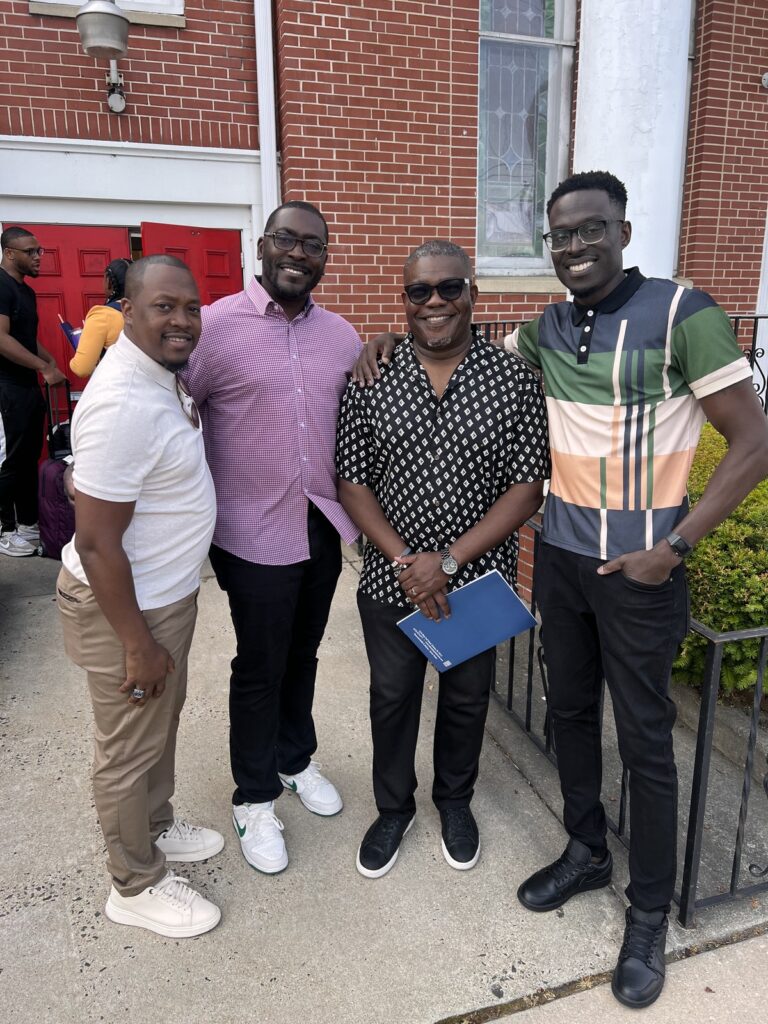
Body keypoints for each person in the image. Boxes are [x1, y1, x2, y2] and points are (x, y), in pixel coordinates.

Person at [354, 170, 768, 1009]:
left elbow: (755, 440)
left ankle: (648, 911)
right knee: (570, 714)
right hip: (568, 567)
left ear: (622, 227)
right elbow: (457, 344)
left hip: (642, 573)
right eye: (561, 235)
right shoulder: (548, 328)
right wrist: (384, 340)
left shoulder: (685, 313)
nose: (575, 246)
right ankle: (588, 851)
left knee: (647, 742)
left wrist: (676, 546)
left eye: (590, 229)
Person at [336, 240, 549, 878]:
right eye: (418, 291)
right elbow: (351, 480)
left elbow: (527, 485)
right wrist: (408, 561)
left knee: (466, 698)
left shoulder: (513, 380)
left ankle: (454, 801)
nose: (435, 302)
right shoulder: (370, 375)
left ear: (472, 294)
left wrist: (449, 561)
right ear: (403, 299)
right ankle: (392, 809)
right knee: (391, 697)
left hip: (476, 582)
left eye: (448, 288)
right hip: (390, 579)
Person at [184, 201, 363, 874]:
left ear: (323, 256)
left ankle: (294, 758)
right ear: (262, 245)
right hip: (249, 530)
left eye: (312, 244)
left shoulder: (342, 335)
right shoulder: (211, 328)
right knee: (260, 664)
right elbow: (175, 412)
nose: (297, 252)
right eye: (286, 239)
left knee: (305, 653)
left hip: (321, 523)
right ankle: (254, 795)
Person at [56, 255, 223, 939]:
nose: (181, 319)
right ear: (127, 311)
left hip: (164, 599)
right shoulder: (124, 397)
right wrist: (137, 643)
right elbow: (96, 544)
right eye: (163, 306)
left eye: (190, 307)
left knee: (160, 723)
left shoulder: (158, 378)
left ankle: (156, 825)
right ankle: (134, 883)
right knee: (126, 749)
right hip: (125, 611)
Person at [0, 226, 66, 556]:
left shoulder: (25, 291)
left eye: (39, 250)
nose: (39, 257)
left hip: (26, 387)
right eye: (31, 252)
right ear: (10, 253)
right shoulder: (0, 285)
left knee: (28, 458)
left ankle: (26, 523)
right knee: (10, 460)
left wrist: (48, 358)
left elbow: (24, 337)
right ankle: (5, 529)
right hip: (6, 388)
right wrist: (43, 368)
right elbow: (1, 339)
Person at [69, 257, 132, 378]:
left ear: (109, 281)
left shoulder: (102, 316)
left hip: (118, 389)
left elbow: (82, 368)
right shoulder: (149, 312)